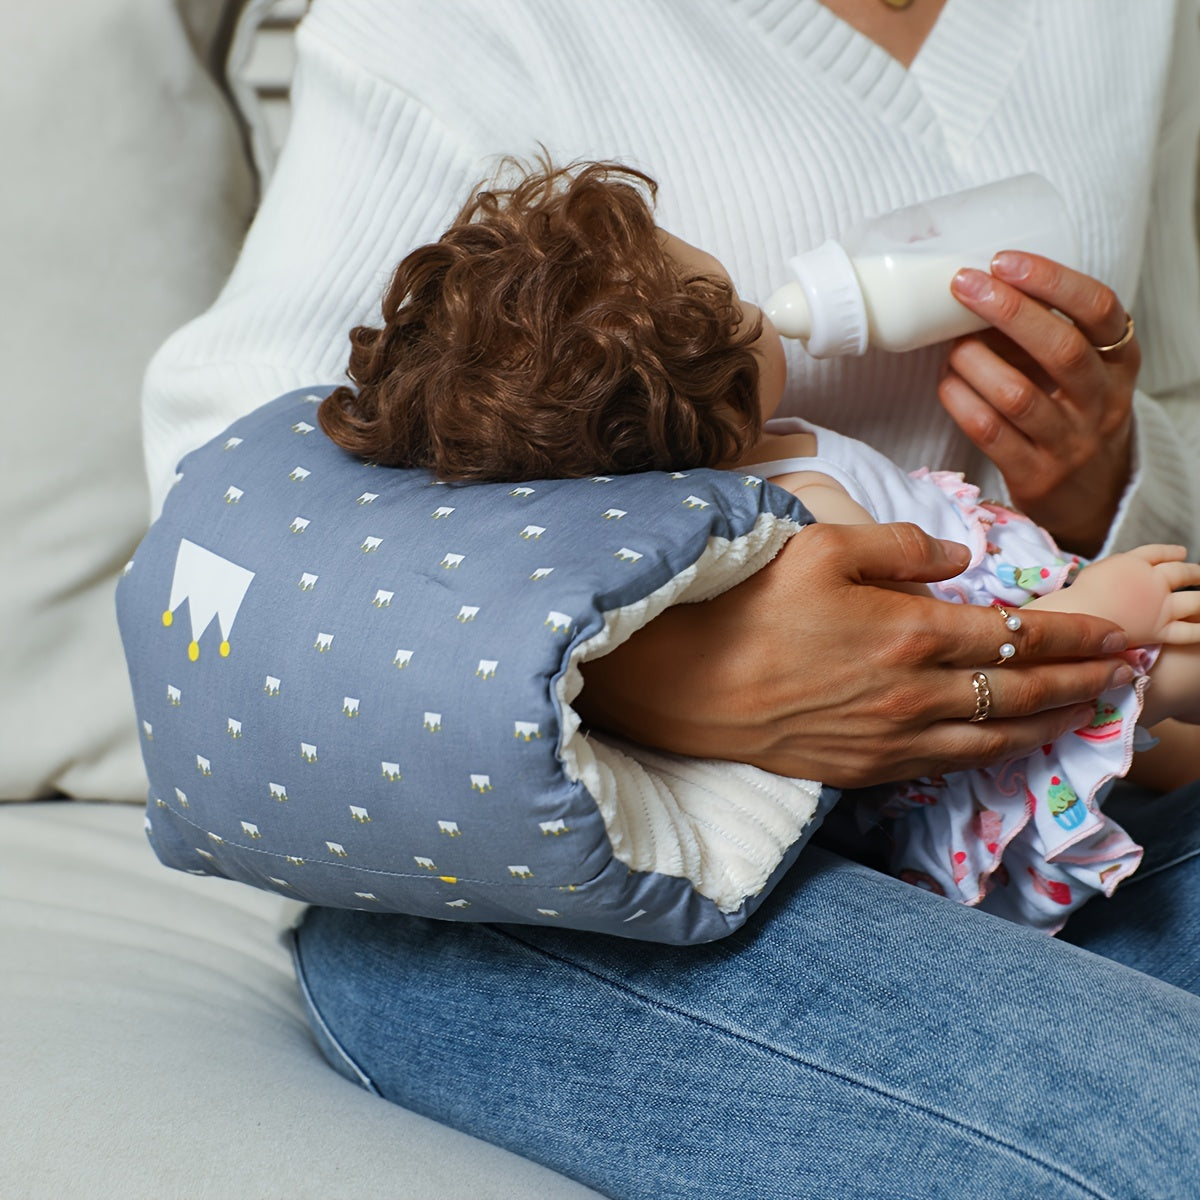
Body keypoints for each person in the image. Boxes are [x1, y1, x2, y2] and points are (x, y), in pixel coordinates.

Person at [144, 1, 1200, 1194]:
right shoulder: (453, 21)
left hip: (1017, 772)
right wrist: (651, 669)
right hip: (566, 852)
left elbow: (1179, 398)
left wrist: (1105, 476)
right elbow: (226, 493)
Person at [315, 157, 1200, 932]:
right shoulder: (797, 508)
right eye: (739, 301)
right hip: (1010, 707)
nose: (762, 306)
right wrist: (1100, 617)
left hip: (1018, 629)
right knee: (1174, 648)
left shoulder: (760, 457)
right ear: (728, 373)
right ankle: (1144, 692)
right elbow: (923, 654)